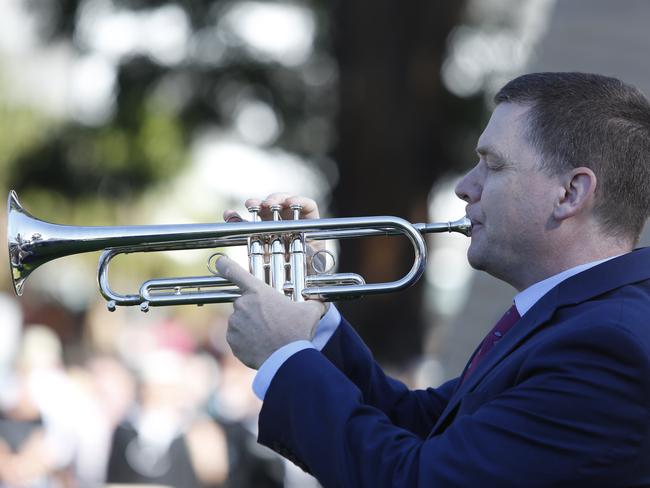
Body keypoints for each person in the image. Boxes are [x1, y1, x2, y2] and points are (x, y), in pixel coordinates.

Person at [216, 72, 650, 487]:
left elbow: (418, 479)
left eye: (493, 166)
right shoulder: (581, 322)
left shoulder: (607, 344)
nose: (464, 186)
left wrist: (285, 357)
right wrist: (309, 324)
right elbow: (421, 425)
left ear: (570, 193)